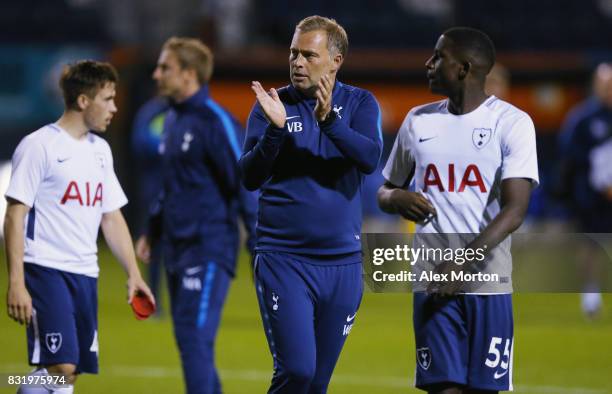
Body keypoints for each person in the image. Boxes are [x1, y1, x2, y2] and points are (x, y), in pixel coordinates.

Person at [378, 27, 538, 393]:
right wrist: (394, 199)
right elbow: (385, 190)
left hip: (488, 286)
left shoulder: (512, 123)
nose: (428, 63)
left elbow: (515, 211)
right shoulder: (418, 121)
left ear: (464, 68)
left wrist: (463, 263)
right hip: (432, 283)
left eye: (438, 57)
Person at [240, 15, 383, 394]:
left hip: (343, 265)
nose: (297, 62)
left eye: (308, 55)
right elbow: (249, 176)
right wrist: (275, 129)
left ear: (335, 60)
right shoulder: (273, 105)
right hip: (284, 259)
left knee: (317, 383)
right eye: (293, 53)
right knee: (298, 371)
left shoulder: (359, 104)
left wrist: (329, 122)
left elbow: (369, 158)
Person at [4, 60, 154, 394]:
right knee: (62, 365)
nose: (115, 107)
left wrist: (133, 272)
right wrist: (17, 281)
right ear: (84, 101)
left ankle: (22, 388)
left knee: (71, 372)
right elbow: (15, 214)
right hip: (45, 268)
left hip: (85, 273)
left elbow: (111, 216)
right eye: (108, 98)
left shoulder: (100, 151)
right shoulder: (39, 145)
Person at [135, 37, 256, 394]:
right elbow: (172, 185)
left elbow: (245, 183)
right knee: (190, 342)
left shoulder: (216, 122)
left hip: (208, 248)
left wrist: (259, 248)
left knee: (194, 341)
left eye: (165, 67)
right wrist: (152, 230)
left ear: (189, 74)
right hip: (176, 246)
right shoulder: (171, 119)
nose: (156, 74)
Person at [556, 62, 612, 317]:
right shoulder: (583, 118)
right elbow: (570, 157)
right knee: (590, 244)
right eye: (606, 84)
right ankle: (591, 294)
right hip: (591, 196)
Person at [131, 95, 170, 316]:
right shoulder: (151, 112)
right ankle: (154, 298)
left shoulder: (191, 112)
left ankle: (183, 302)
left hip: (184, 197)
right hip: (154, 192)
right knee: (154, 249)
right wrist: (171, 147)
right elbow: (140, 142)